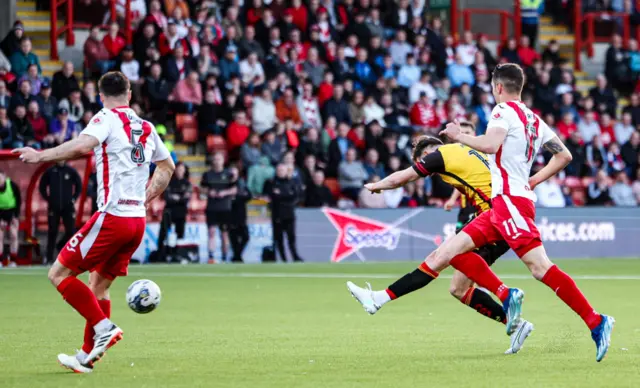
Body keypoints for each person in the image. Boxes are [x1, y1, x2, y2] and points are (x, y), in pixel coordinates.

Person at [346, 63, 614, 362]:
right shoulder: (534, 119)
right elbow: (564, 155)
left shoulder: (502, 111)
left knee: (540, 268)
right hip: (504, 202)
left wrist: (457, 135)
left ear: (498, 87)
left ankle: (595, 321)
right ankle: (378, 299)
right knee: (444, 255)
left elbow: (490, 144)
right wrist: (534, 180)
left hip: (510, 202)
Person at [12, 71, 175, 373]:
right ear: (129, 94)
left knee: (58, 274)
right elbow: (167, 166)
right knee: (98, 287)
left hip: (112, 218)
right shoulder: (146, 127)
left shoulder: (105, 118)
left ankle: (104, 327)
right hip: (136, 222)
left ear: (101, 96)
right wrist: (147, 197)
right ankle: (87, 357)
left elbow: (82, 145)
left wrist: (40, 156)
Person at [39, 161, 82, 264]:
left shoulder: (70, 171)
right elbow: (42, 186)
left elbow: (79, 185)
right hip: (54, 207)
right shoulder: (50, 171)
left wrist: (73, 198)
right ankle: (49, 258)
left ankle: (71, 257)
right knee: (52, 231)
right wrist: (49, 199)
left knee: (70, 232)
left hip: (68, 207)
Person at [200, 152, 237, 263]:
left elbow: (234, 189)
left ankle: (224, 257)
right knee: (211, 232)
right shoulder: (207, 174)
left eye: (219, 159)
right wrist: (209, 192)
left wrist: (224, 193)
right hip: (212, 207)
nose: (217, 161)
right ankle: (211, 257)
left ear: (223, 160)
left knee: (224, 233)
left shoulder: (228, 174)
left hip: (225, 208)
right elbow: (202, 189)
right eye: (215, 159)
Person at [264, 163, 303, 262]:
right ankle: (283, 258)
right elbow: (269, 195)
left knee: (291, 238)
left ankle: (295, 256)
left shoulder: (292, 182)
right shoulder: (271, 182)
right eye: (279, 170)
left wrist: (280, 194)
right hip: (277, 214)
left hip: (289, 214)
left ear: (286, 171)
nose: (280, 172)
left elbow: (294, 196)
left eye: (282, 170)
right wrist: (284, 195)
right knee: (278, 238)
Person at [156, 162, 191, 262]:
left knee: (180, 234)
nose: (180, 171)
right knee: (163, 232)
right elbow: (166, 196)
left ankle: (178, 254)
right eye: (178, 169)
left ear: (184, 171)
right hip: (169, 211)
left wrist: (176, 197)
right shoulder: (169, 182)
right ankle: (161, 254)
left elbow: (187, 197)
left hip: (181, 212)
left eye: (182, 169)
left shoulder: (187, 183)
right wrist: (179, 197)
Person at [228, 166, 251, 262]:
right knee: (233, 238)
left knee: (245, 237)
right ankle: (237, 257)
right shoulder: (226, 184)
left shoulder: (241, 183)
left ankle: (237, 256)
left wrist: (237, 196)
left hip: (241, 214)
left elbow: (248, 196)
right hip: (230, 214)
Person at [0, 169, 20, 267]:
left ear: (4, 176)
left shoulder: (12, 185)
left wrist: (15, 217)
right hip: (0, 213)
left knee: (14, 235)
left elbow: (18, 201)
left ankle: (13, 261)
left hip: (12, 212)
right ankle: (0, 261)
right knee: (0, 236)